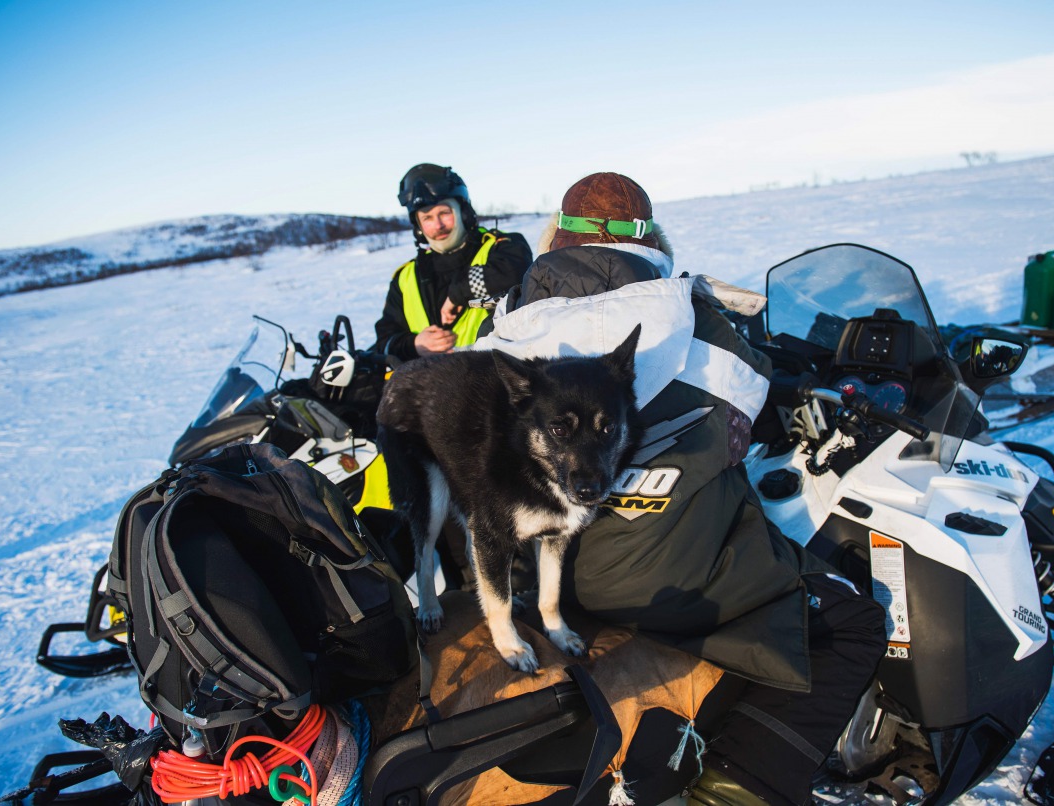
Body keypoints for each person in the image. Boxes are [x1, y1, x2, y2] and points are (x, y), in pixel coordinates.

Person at [474, 172, 888, 806]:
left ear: (553, 241)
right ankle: (744, 786)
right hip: (657, 581)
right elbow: (750, 415)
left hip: (530, 573)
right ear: (653, 243)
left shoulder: (501, 330)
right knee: (852, 621)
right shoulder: (694, 320)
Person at [372, 164, 532, 362]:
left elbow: (513, 274)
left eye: (444, 213)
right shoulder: (405, 277)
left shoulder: (502, 246)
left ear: (463, 212)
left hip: (492, 379)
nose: (438, 225)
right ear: (418, 227)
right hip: (426, 387)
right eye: (427, 218)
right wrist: (414, 344)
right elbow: (384, 341)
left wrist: (459, 292)